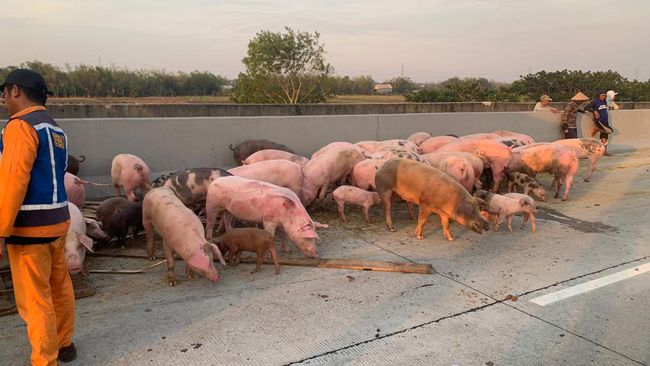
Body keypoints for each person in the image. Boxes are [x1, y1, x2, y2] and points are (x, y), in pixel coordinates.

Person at [0, 69, 77, 365]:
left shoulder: (20, 126)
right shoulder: (55, 129)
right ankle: (64, 343)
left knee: (35, 300)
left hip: (29, 230)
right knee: (59, 287)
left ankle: (45, 360)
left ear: (16, 90)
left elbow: (13, 181)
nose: (4, 97)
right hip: (57, 223)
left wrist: (2, 230)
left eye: (5, 91)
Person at [585, 90, 614, 156]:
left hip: (605, 120)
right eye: (602, 95)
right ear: (599, 95)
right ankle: (596, 129)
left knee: (605, 136)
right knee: (609, 131)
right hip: (599, 120)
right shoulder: (595, 102)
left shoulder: (605, 101)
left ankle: (604, 151)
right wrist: (594, 111)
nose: (603, 97)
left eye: (605, 96)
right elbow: (586, 108)